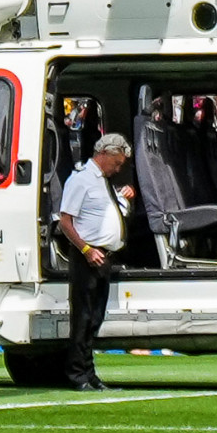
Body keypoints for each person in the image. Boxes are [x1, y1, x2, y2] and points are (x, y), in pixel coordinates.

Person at [55, 132, 131, 391]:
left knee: (94, 318)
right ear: (104, 155)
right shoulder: (81, 180)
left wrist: (124, 199)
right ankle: (78, 374)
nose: (118, 168)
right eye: (117, 163)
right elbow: (65, 221)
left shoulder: (102, 181)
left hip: (102, 256)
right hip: (88, 256)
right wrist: (86, 249)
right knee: (84, 317)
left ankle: (89, 373)